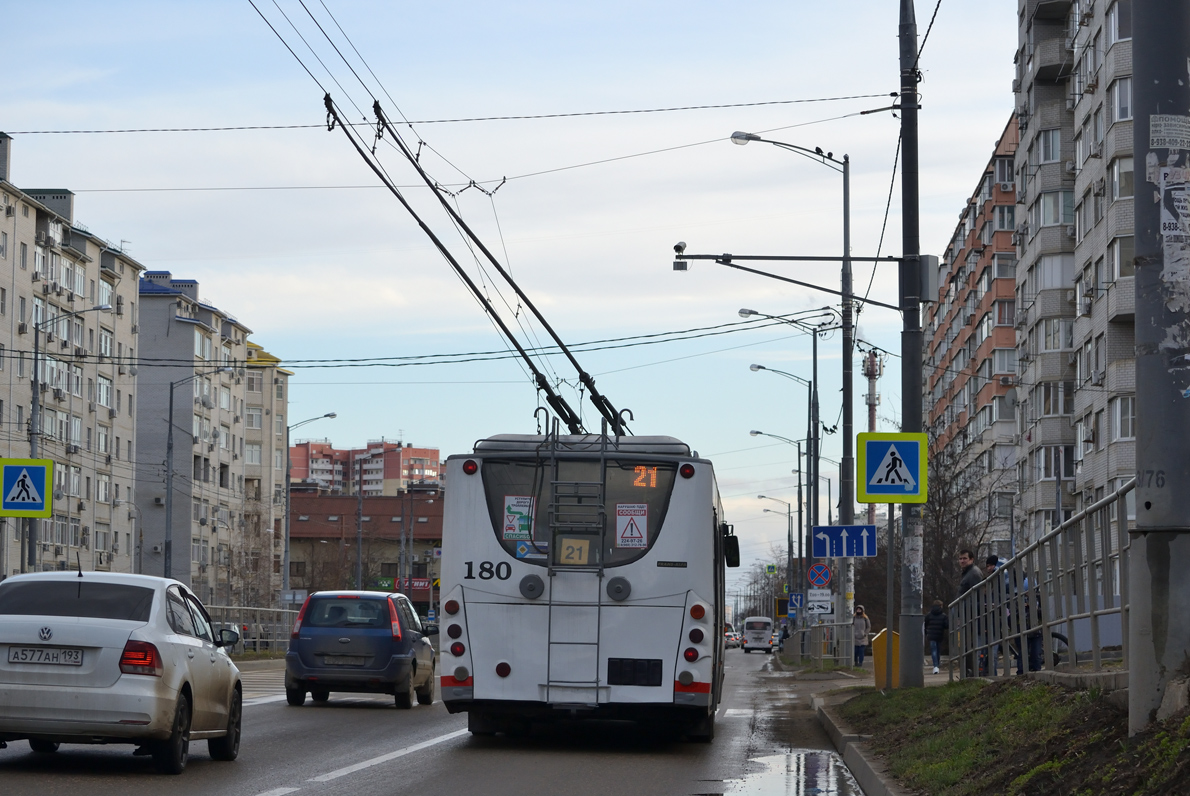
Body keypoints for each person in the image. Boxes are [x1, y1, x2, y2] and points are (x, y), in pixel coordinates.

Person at [957, 550, 983, 677]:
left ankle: (971, 672)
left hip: (971, 615)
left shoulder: (973, 573)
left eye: (965, 558)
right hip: (966, 614)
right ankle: (968, 672)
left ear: (971, 559)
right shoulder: (968, 573)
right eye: (960, 559)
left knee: (969, 644)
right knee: (965, 644)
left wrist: (969, 613)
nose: (962, 561)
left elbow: (977, 595)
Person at [923, 599, 948, 674]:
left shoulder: (928, 615)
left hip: (931, 635)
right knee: (938, 650)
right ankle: (937, 664)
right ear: (941, 606)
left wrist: (926, 633)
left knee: (933, 650)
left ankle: (935, 666)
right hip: (939, 635)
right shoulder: (944, 616)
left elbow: (925, 624)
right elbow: (946, 626)